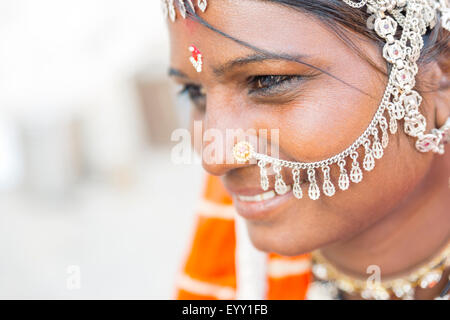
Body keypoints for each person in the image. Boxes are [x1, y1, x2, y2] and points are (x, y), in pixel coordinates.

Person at [163, 0, 450, 300]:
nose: (215, 158)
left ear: (441, 76)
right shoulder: (229, 250)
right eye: (194, 92)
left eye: (267, 81)